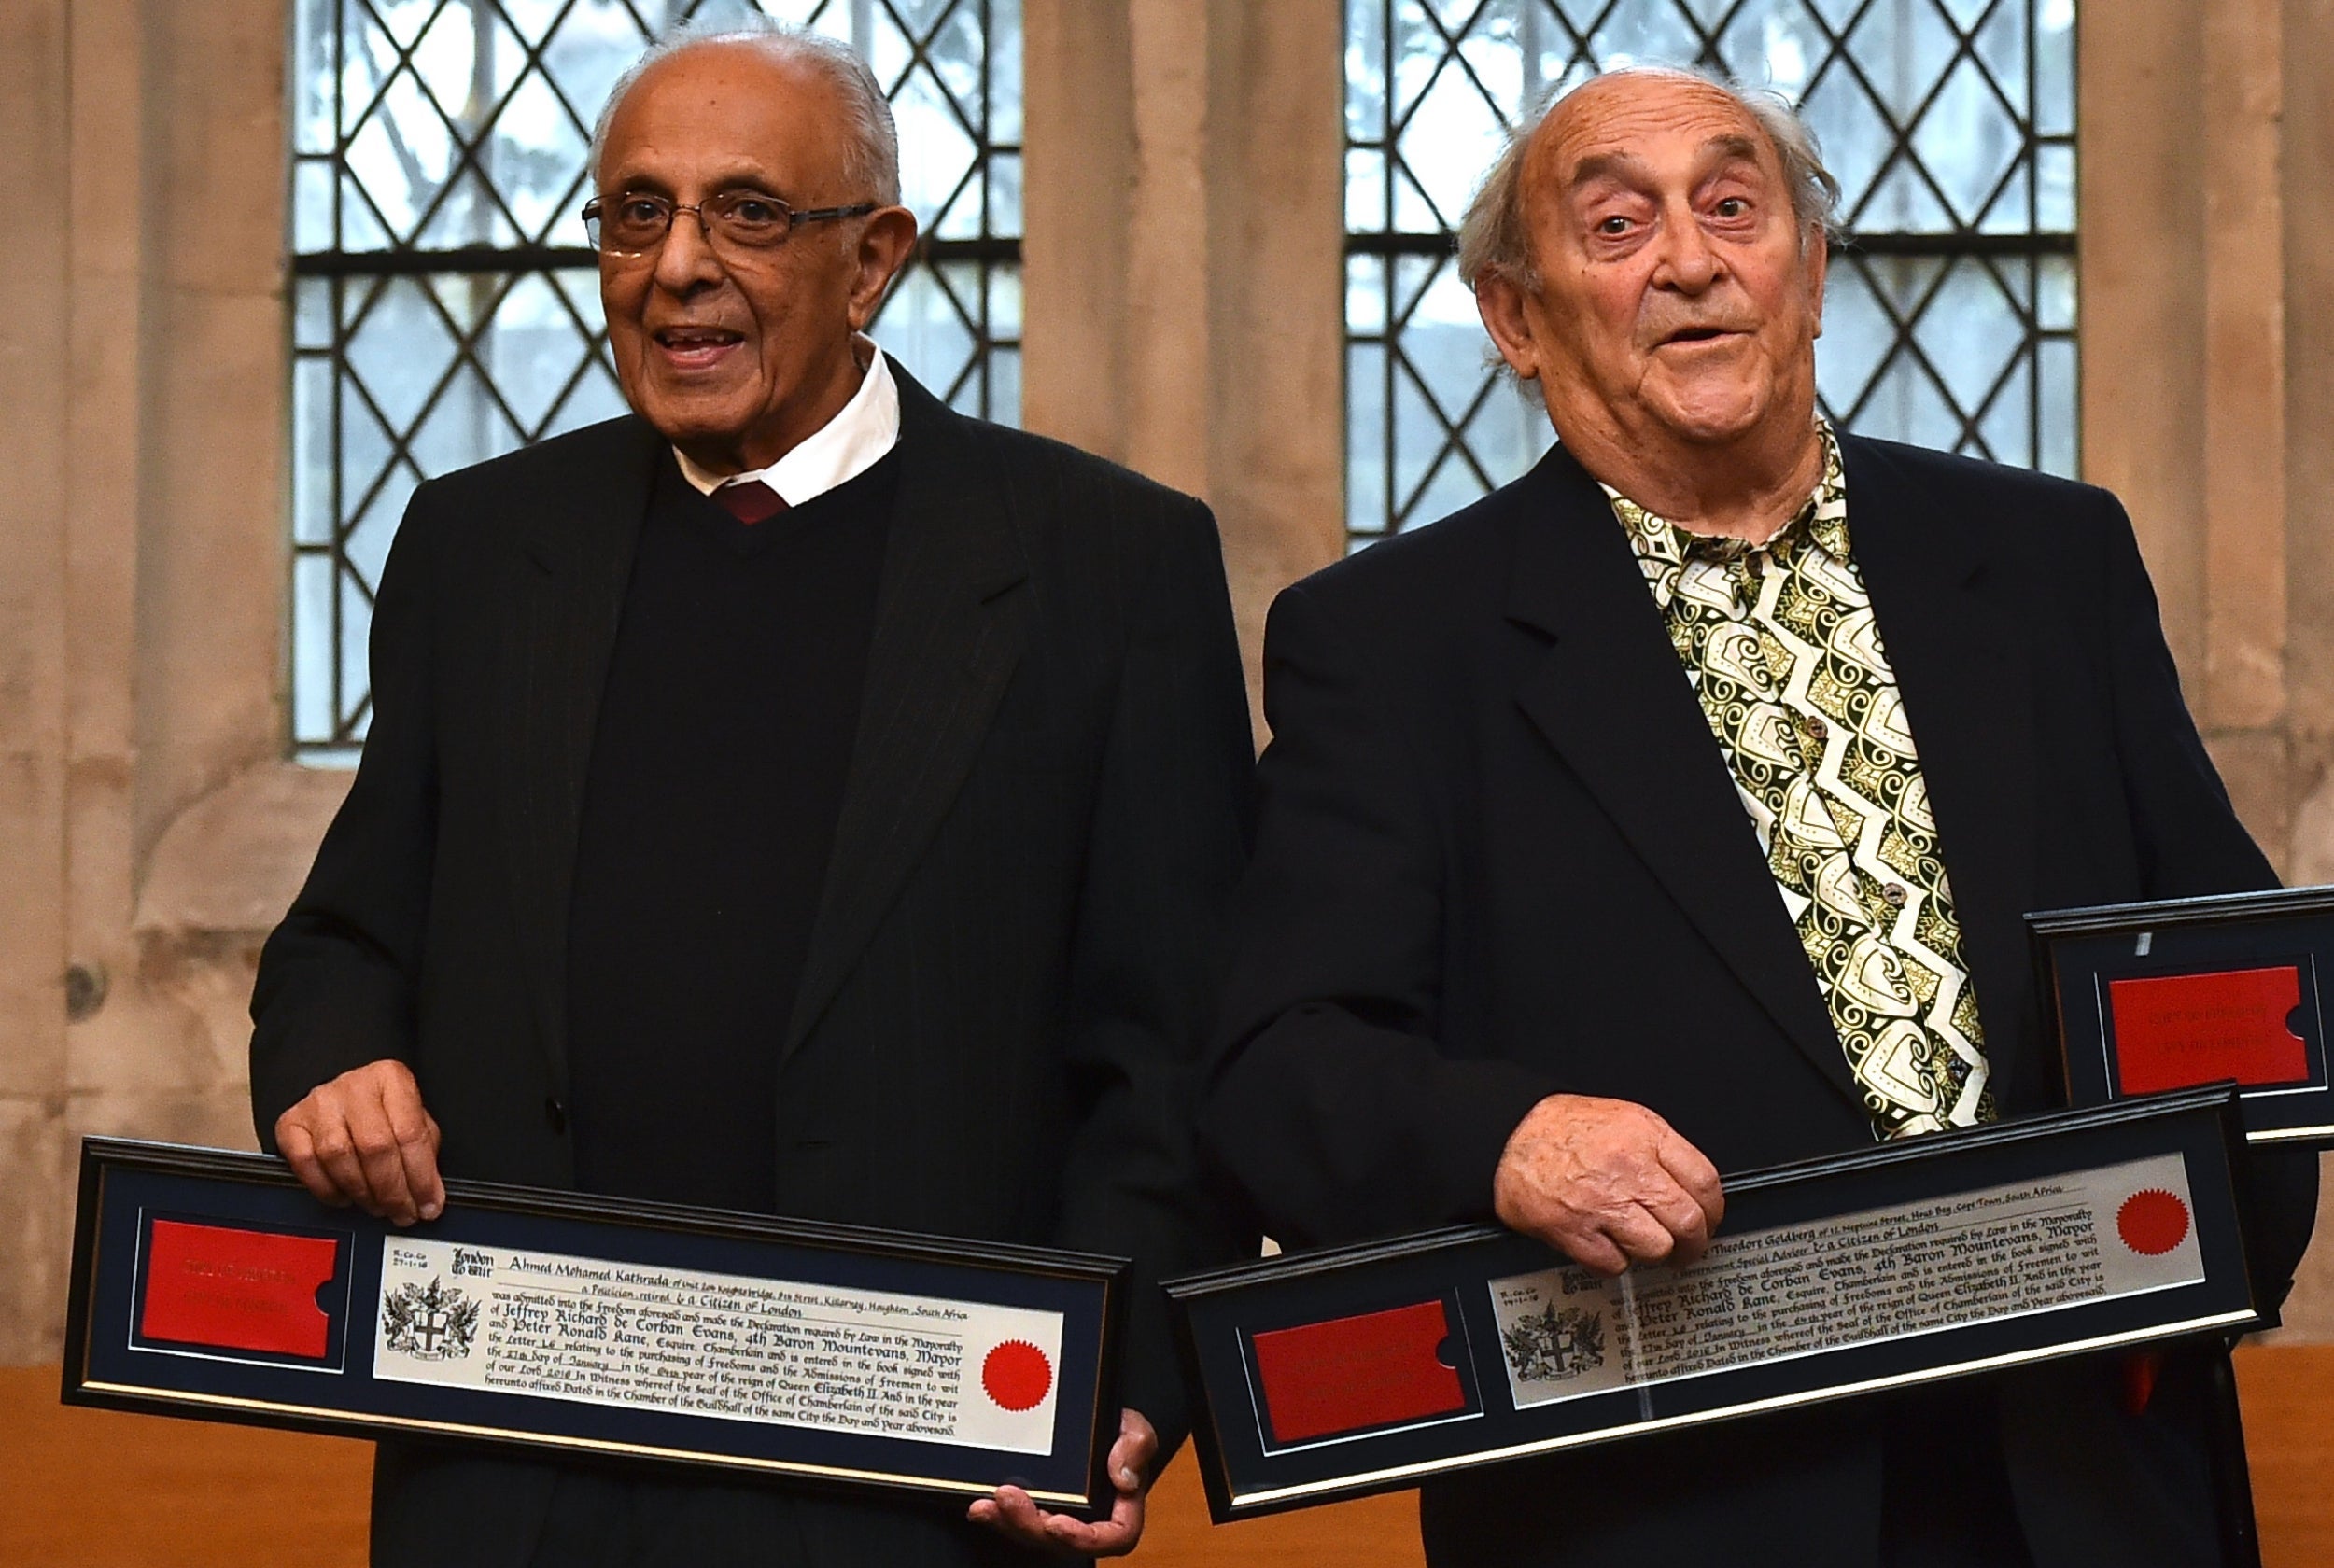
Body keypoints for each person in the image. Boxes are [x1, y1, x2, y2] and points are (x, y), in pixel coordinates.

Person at [1202, 65, 2318, 1568]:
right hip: (1667, 1504)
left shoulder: (2051, 557)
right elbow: (1282, 1064)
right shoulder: (1396, 641)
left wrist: (2189, 1294)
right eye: (1615, 225)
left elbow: (2229, 981)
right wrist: (1507, 1139)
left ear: (1810, 266)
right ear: (1516, 320)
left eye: (1734, 207)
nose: (1688, 259)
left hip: (2089, 1477)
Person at [249, 20, 1254, 1566]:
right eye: (637, 213)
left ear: (874, 261)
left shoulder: (1105, 566)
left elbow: (1173, 1051)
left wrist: (1112, 1383)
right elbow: (347, 940)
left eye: (748, 213)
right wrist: (333, 1058)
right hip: (519, 1459)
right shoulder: (477, 550)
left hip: (921, 1475)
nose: (679, 267)